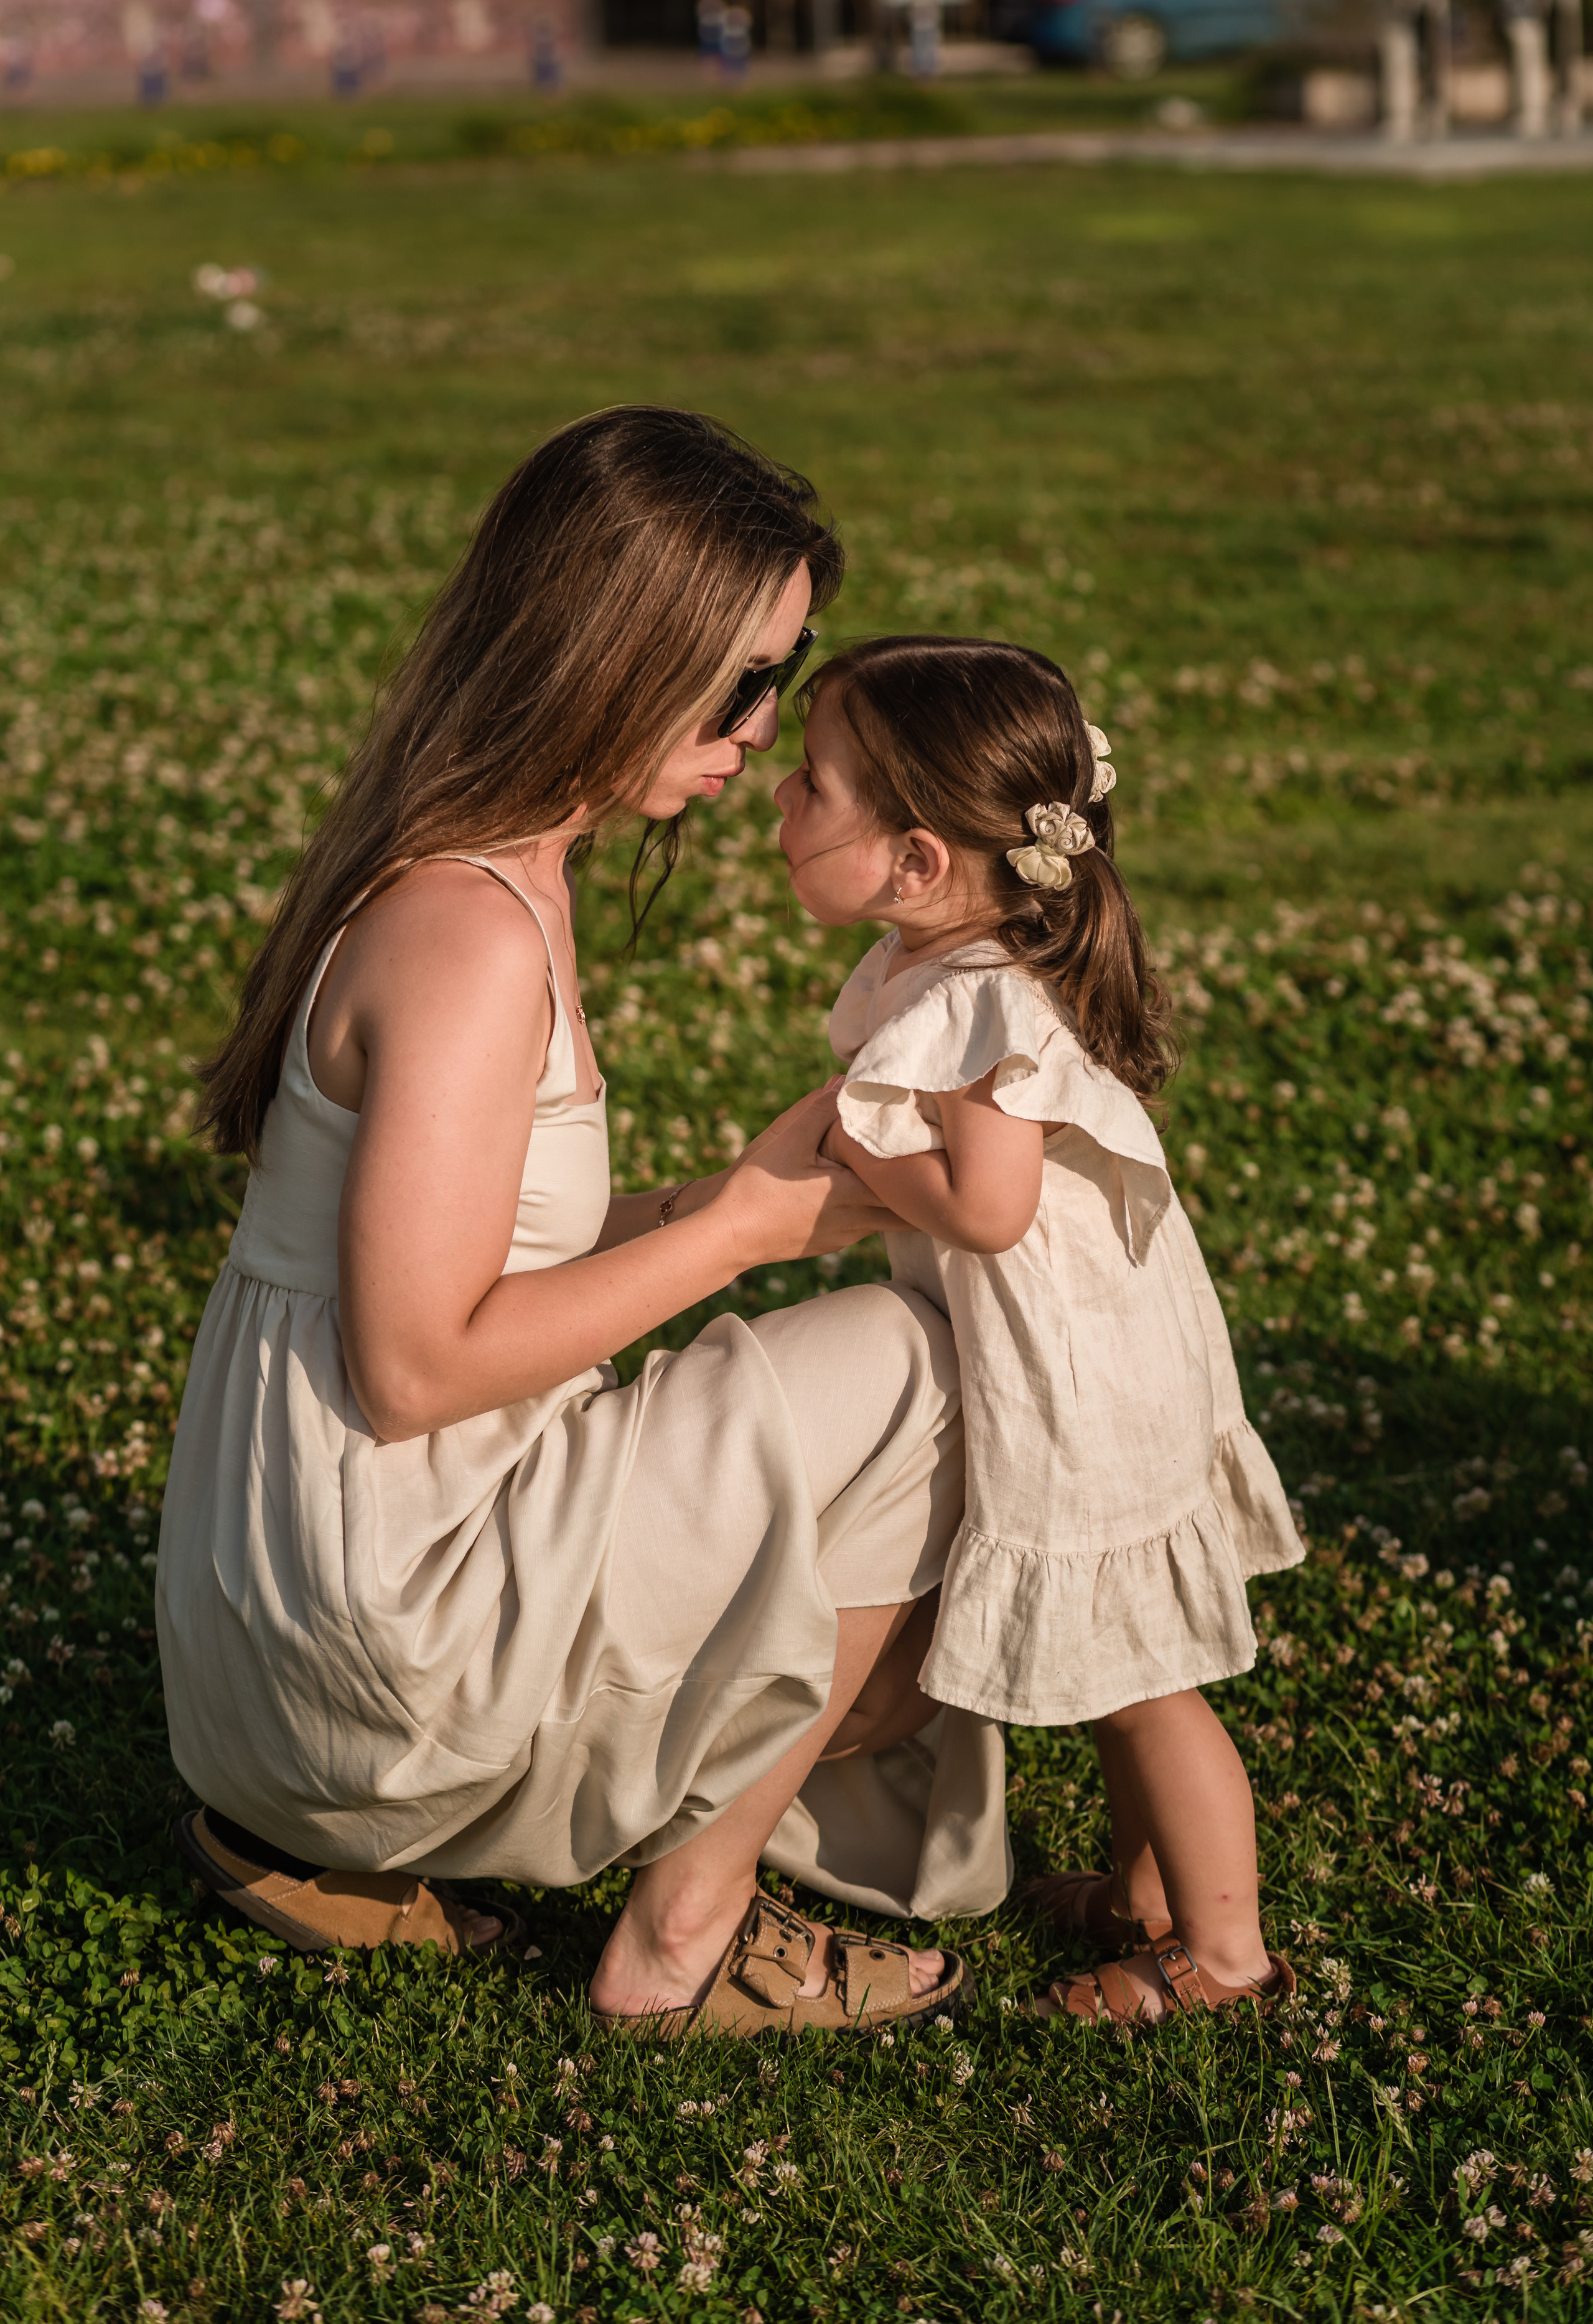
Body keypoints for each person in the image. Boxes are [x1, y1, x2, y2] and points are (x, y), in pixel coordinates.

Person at [156, 409, 1012, 2038]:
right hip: (378, 1654)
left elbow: (459, 1245)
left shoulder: (480, 866)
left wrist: (713, 1200)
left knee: (886, 1378)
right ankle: (692, 1931)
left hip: (294, 1637)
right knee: (934, 1369)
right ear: (620, 661)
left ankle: (356, 1845)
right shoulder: (470, 938)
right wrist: (742, 1236)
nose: (770, 729)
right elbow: (413, 1367)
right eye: (748, 681)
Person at [774, 633, 1305, 2025]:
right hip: (1098, 1357)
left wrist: (861, 1158)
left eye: (810, 783)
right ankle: (1149, 1901)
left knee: (1149, 1691)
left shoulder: (981, 1005)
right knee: (1133, 1660)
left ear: (915, 860)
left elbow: (989, 1209)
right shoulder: (951, 962)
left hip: (1080, 1383)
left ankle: (1226, 1956)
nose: (778, 799)